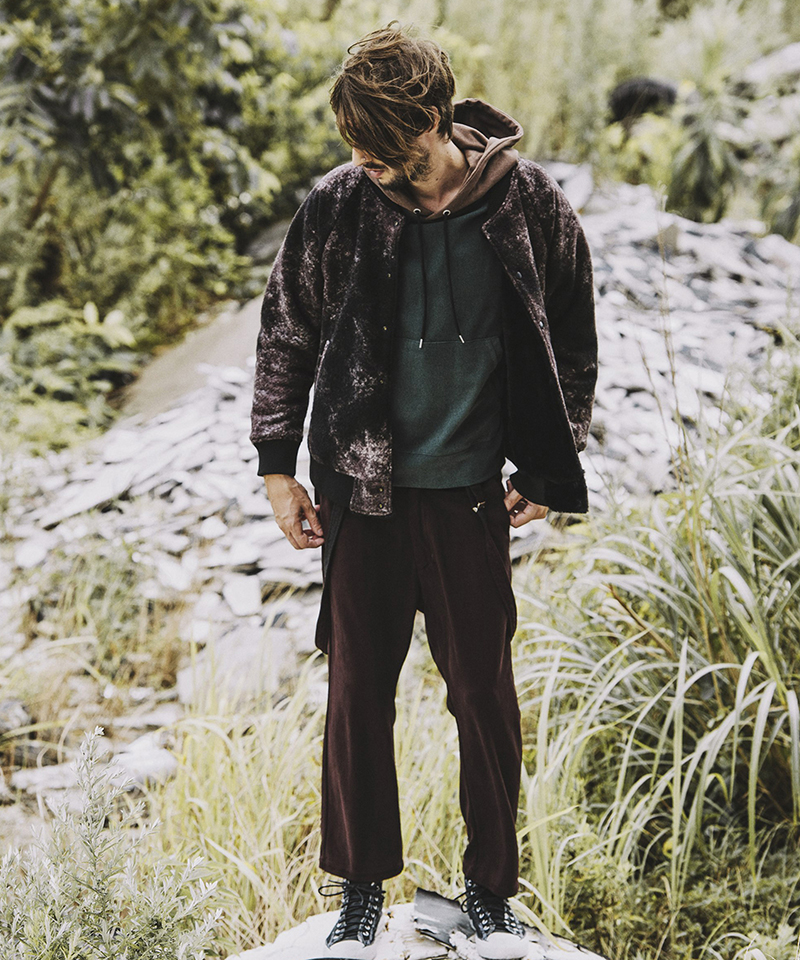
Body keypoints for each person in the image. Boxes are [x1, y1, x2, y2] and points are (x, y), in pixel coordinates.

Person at [250, 23, 597, 960]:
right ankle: (361, 892)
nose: (365, 165)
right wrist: (278, 468)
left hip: (471, 494)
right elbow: (285, 331)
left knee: (483, 695)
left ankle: (490, 892)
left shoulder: (526, 202)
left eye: (382, 150)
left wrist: (551, 461)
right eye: (354, 150)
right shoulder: (338, 204)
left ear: (437, 120)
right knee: (357, 692)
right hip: (359, 493)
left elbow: (571, 329)